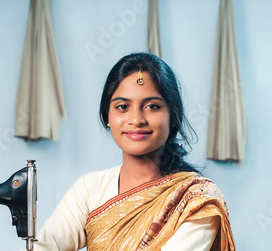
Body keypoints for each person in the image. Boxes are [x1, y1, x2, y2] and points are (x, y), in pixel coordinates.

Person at [33, 52, 235, 251]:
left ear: (173, 116)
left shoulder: (195, 200)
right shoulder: (89, 189)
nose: (137, 119)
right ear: (107, 117)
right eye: (122, 106)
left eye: (152, 106)